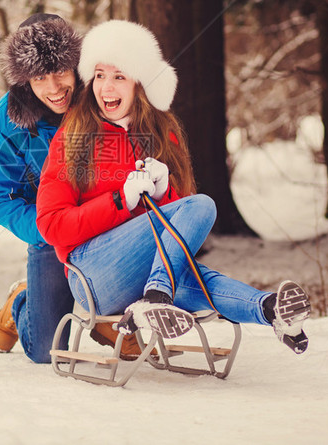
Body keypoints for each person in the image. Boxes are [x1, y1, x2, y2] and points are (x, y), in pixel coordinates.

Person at [36, 19, 312, 354]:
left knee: (191, 272)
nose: (106, 87)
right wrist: (119, 201)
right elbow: (51, 225)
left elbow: (180, 233)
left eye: (119, 76)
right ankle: (156, 296)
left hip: (149, 268)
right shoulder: (73, 138)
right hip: (91, 274)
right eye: (100, 75)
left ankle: (270, 310)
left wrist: (165, 192)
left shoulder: (162, 134)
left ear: (140, 84)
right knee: (201, 206)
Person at [0, 13, 144, 363]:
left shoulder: (103, 98)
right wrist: (47, 230)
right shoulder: (4, 122)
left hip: (107, 224)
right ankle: (22, 301)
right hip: (51, 233)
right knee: (46, 351)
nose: (53, 87)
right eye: (40, 77)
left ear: (77, 66)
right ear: (25, 80)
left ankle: (105, 315)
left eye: (60, 72)